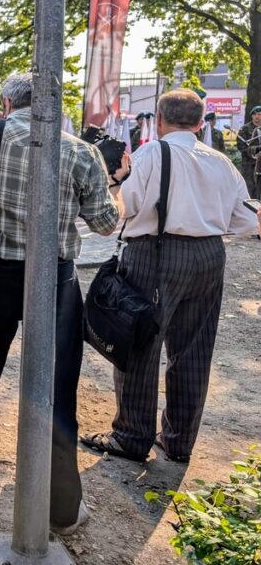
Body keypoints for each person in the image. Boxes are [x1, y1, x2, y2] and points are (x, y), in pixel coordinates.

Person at [0, 72, 120, 534]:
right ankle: (61, 508)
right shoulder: (79, 150)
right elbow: (107, 224)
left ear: (7, 103)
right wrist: (117, 180)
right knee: (56, 392)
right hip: (53, 280)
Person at [81, 90, 257, 464]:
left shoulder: (151, 154)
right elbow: (245, 220)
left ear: (158, 120)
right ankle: (178, 441)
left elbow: (125, 211)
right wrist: (204, 217)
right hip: (210, 254)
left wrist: (116, 182)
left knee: (140, 343)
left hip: (156, 253)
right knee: (194, 350)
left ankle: (132, 435)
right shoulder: (221, 162)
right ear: (199, 122)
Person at [237, 105, 261, 197]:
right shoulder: (245, 129)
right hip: (249, 166)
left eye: (259, 114)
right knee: (249, 190)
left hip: (260, 166)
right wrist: (256, 150)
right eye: (254, 115)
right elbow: (241, 146)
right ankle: (249, 210)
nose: (256, 117)